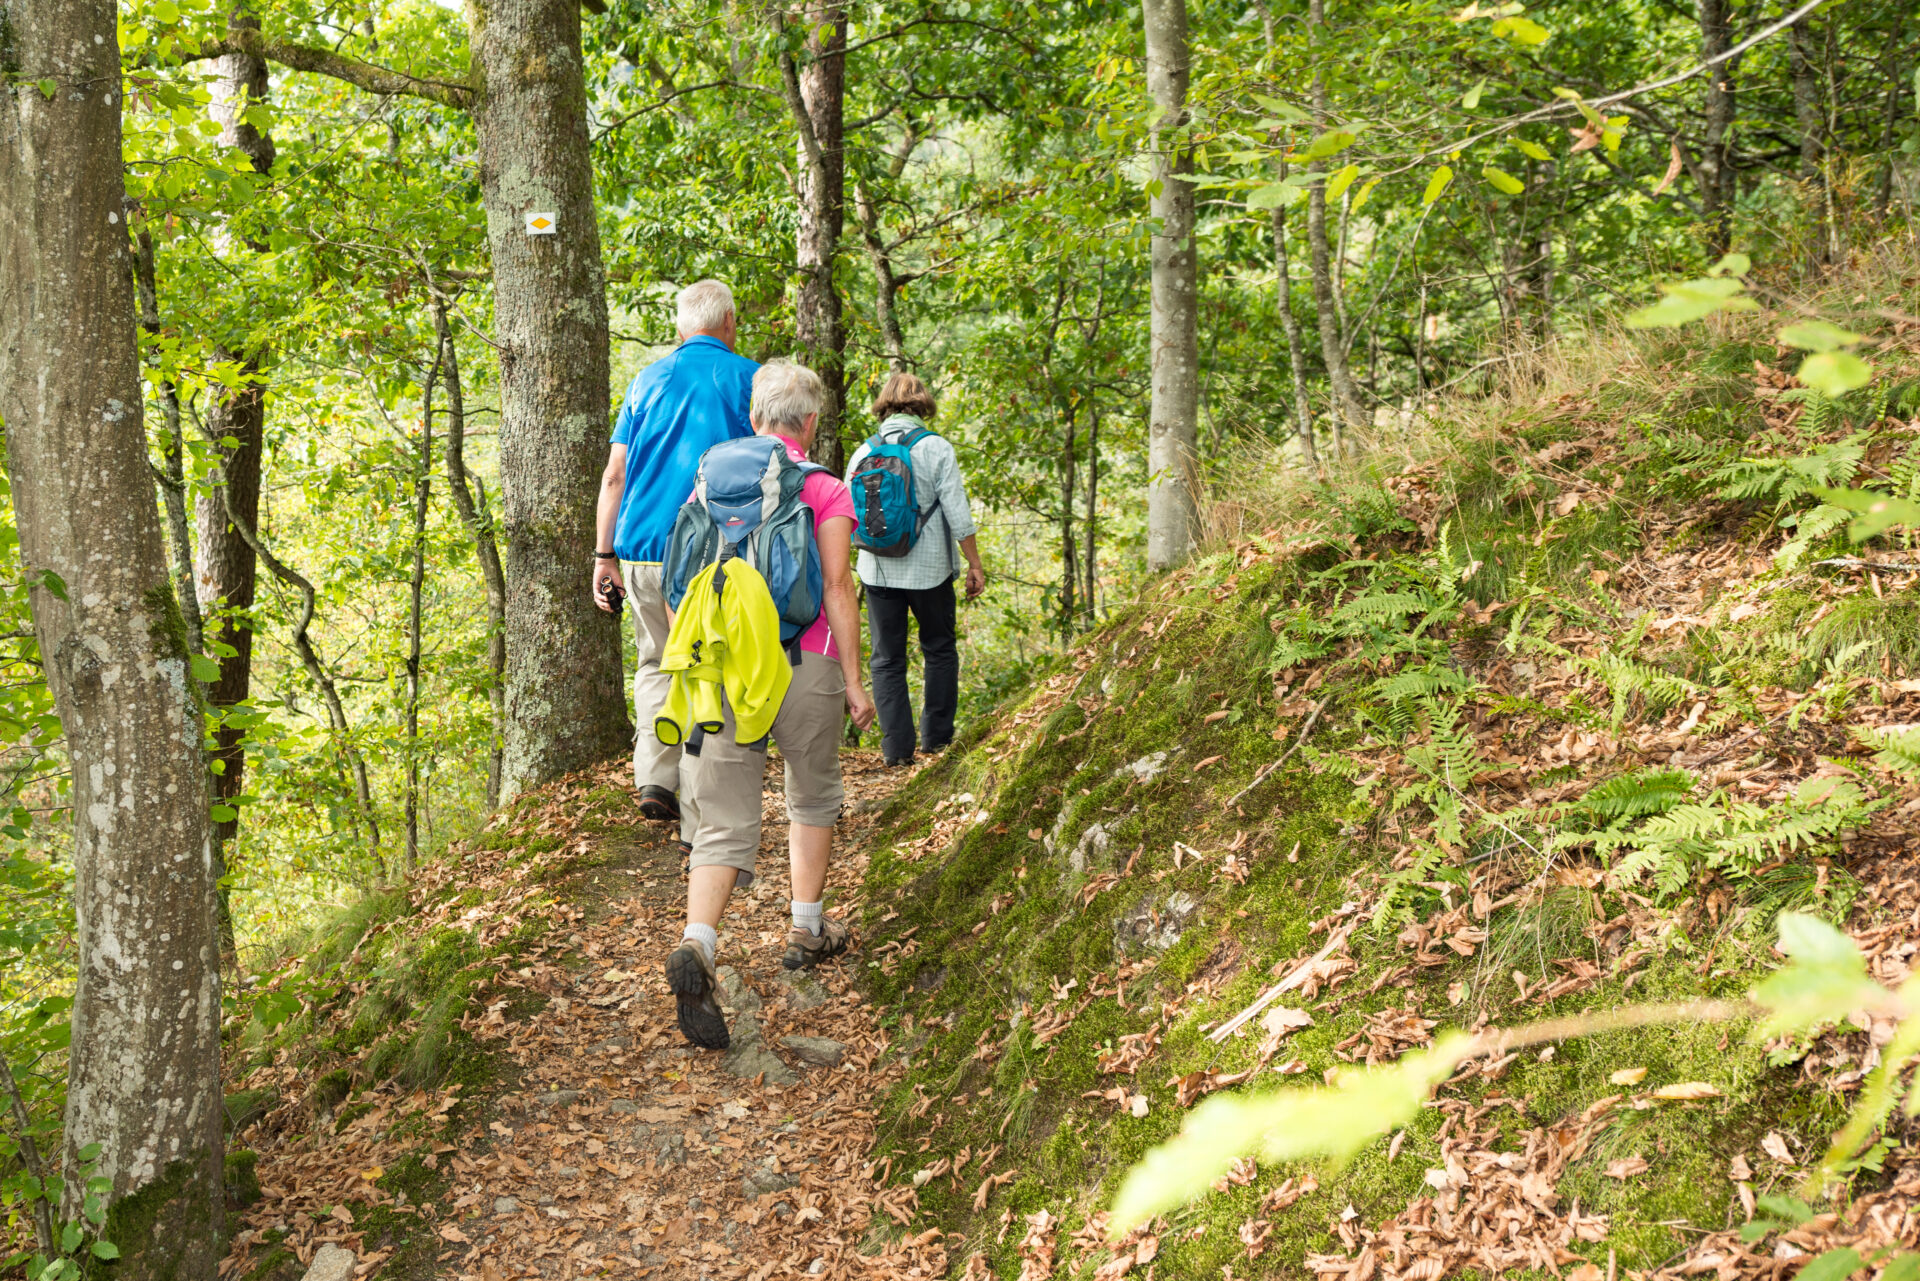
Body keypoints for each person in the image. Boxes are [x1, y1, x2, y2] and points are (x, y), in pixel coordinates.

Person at [664, 360, 877, 1050]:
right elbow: (838, 588)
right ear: (809, 422)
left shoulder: (709, 482)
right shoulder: (824, 488)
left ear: (755, 418)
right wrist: (855, 681)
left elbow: (684, 580)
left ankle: (699, 941)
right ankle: (806, 928)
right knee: (812, 793)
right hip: (805, 663)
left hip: (728, 671)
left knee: (723, 816)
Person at [594, 280, 756, 826]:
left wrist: (603, 556)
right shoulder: (749, 379)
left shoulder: (647, 380)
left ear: (680, 328)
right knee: (711, 664)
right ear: (729, 323)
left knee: (655, 661)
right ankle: (700, 796)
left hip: (642, 546)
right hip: (715, 548)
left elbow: (615, 474)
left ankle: (655, 778)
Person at [844, 372, 985, 767]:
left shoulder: (862, 451)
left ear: (884, 407)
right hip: (929, 572)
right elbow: (958, 513)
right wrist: (974, 563)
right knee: (939, 649)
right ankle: (936, 740)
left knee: (886, 659)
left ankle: (896, 750)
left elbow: (847, 514)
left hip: (877, 571)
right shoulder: (936, 447)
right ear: (923, 406)